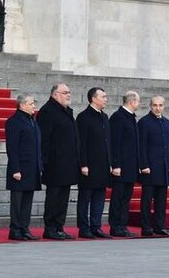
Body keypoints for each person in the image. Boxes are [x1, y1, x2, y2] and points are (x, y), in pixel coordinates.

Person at [37, 83, 80, 240]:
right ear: (55, 94)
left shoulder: (67, 111)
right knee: (54, 196)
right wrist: (46, 161)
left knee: (63, 196)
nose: (68, 95)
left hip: (67, 163)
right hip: (54, 164)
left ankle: (59, 226)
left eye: (69, 92)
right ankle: (50, 228)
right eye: (64, 92)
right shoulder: (47, 111)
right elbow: (44, 139)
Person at [76, 87, 112, 239]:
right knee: (85, 197)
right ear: (93, 98)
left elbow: (108, 142)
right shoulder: (83, 117)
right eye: (103, 96)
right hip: (89, 165)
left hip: (103, 165)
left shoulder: (104, 117)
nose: (105, 99)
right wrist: (83, 164)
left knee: (99, 197)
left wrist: (110, 162)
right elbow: (81, 143)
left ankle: (96, 226)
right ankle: (84, 228)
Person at [5, 94, 42, 241]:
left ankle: (24, 228)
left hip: (32, 168)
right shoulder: (14, 122)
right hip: (20, 169)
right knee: (17, 202)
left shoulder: (32, 121)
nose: (34, 106)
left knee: (27, 201)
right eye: (31, 103)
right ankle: (15, 230)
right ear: (22, 105)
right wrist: (15, 169)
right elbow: (12, 148)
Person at [138, 96, 169, 236]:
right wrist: (144, 165)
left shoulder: (167, 122)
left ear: (164, 106)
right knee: (147, 200)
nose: (157, 108)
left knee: (161, 200)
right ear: (150, 106)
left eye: (160, 105)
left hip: (164, 167)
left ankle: (160, 226)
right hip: (150, 168)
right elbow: (141, 146)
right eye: (155, 105)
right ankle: (146, 227)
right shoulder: (144, 122)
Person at [108, 91, 140, 237]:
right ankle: (115, 226)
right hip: (121, 166)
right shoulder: (118, 117)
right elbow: (115, 142)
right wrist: (116, 164)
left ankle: (122, 225)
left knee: (126, 197)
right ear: (132, 101)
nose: (138, 104)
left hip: (130, 166)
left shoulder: (131, 117)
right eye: (138, 101)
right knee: (118, 197)